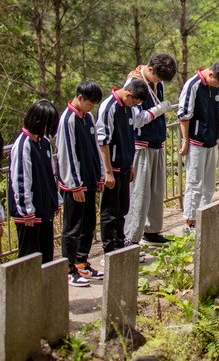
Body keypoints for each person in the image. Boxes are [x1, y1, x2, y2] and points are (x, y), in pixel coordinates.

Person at [124, 52, 177, 247]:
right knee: (139, 193)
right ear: (150, 69)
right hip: (142, 145)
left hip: (156, 144)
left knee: (155, 192)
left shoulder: (157, 83)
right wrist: (158, 110)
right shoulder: (134, 83)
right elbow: (135, 120)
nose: (160, 81)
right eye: (158, 77)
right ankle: (131, 236)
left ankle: (152, 230)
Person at [56, 80, 105, 287]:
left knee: (88, 224)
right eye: (90, 103)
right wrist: (74, 185)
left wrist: (100, 174)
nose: (91, 107)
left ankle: (82, 261)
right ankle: (68, 267)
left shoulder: (88, 117)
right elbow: (66, 154)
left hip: (90, 178)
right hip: (75, 184)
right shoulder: (68, 119)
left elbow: (95, 147)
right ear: (80, 98)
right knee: (72, 226)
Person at [178, 61, 219, 233]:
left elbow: (218, 109)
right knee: (194, 182)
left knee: (209, 183)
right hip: (196, 142)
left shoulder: (215, 88)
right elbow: (184, 115)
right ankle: (189, 221)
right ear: (210, 75)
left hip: (212, 140)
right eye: (216, 82)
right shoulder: (193, 85)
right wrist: (185, 140)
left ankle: (204, 217)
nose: (217, 86)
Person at [96, 78, 149, 255]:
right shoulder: (109, 107)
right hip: (114, 169)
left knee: (123, 209)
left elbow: (130, 137)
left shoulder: (129, 109)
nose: (135, 106)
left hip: (126, 166)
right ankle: (109, 248)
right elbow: (103, 141)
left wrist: (131, 165)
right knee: (110, 211)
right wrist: (108, 171)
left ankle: (120, 242)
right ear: (128, 94)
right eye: (134, 102)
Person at [8, 100, 59, 263]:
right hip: (29, 215)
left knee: (46, 257)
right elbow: (21, 179)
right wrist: (26, 210)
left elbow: (50, 174)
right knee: (29, 259)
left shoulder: (43, 143)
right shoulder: (23, 145)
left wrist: (54, 200)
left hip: (44, 210)